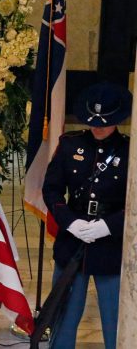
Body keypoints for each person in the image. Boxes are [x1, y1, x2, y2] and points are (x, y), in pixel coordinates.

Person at [42, 82, 131, 349]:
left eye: (105, 122)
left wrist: (109, 226)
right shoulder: (70, 144)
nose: (98, 127)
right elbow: (52, 189)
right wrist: (70, 222)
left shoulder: (129, 151)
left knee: (115, 320)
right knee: (64, 318)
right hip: (74, 242)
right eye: (93, 121)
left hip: (111, 245)